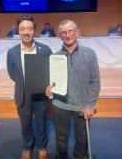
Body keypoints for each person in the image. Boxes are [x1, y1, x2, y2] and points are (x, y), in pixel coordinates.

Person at [44, 19, 100, 158]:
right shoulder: (55, 56)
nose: (67, 35)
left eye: (70, 31)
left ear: (77, 33)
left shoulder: (89, 53)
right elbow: (52, 81)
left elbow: (95, 81)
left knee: (82, 140)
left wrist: (90, 105)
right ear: (60, 36)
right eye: (63, 32)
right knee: (61, 138)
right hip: (60, 104)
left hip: (82, 106)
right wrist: (50, 89)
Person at [6, 15, 52, 159]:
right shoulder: (12, 52)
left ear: (34, 30)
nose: (26, 32)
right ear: (18, 31)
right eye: (22, 29)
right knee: (25, 124)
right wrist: (24, 83)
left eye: (30, 29)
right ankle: (27, 146)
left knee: (41, 122)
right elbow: (12, 73)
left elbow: (51, 70)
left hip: (40, 94)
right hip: (23, 94)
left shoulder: (45, 49)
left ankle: (42, 146)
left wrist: (47, 85)